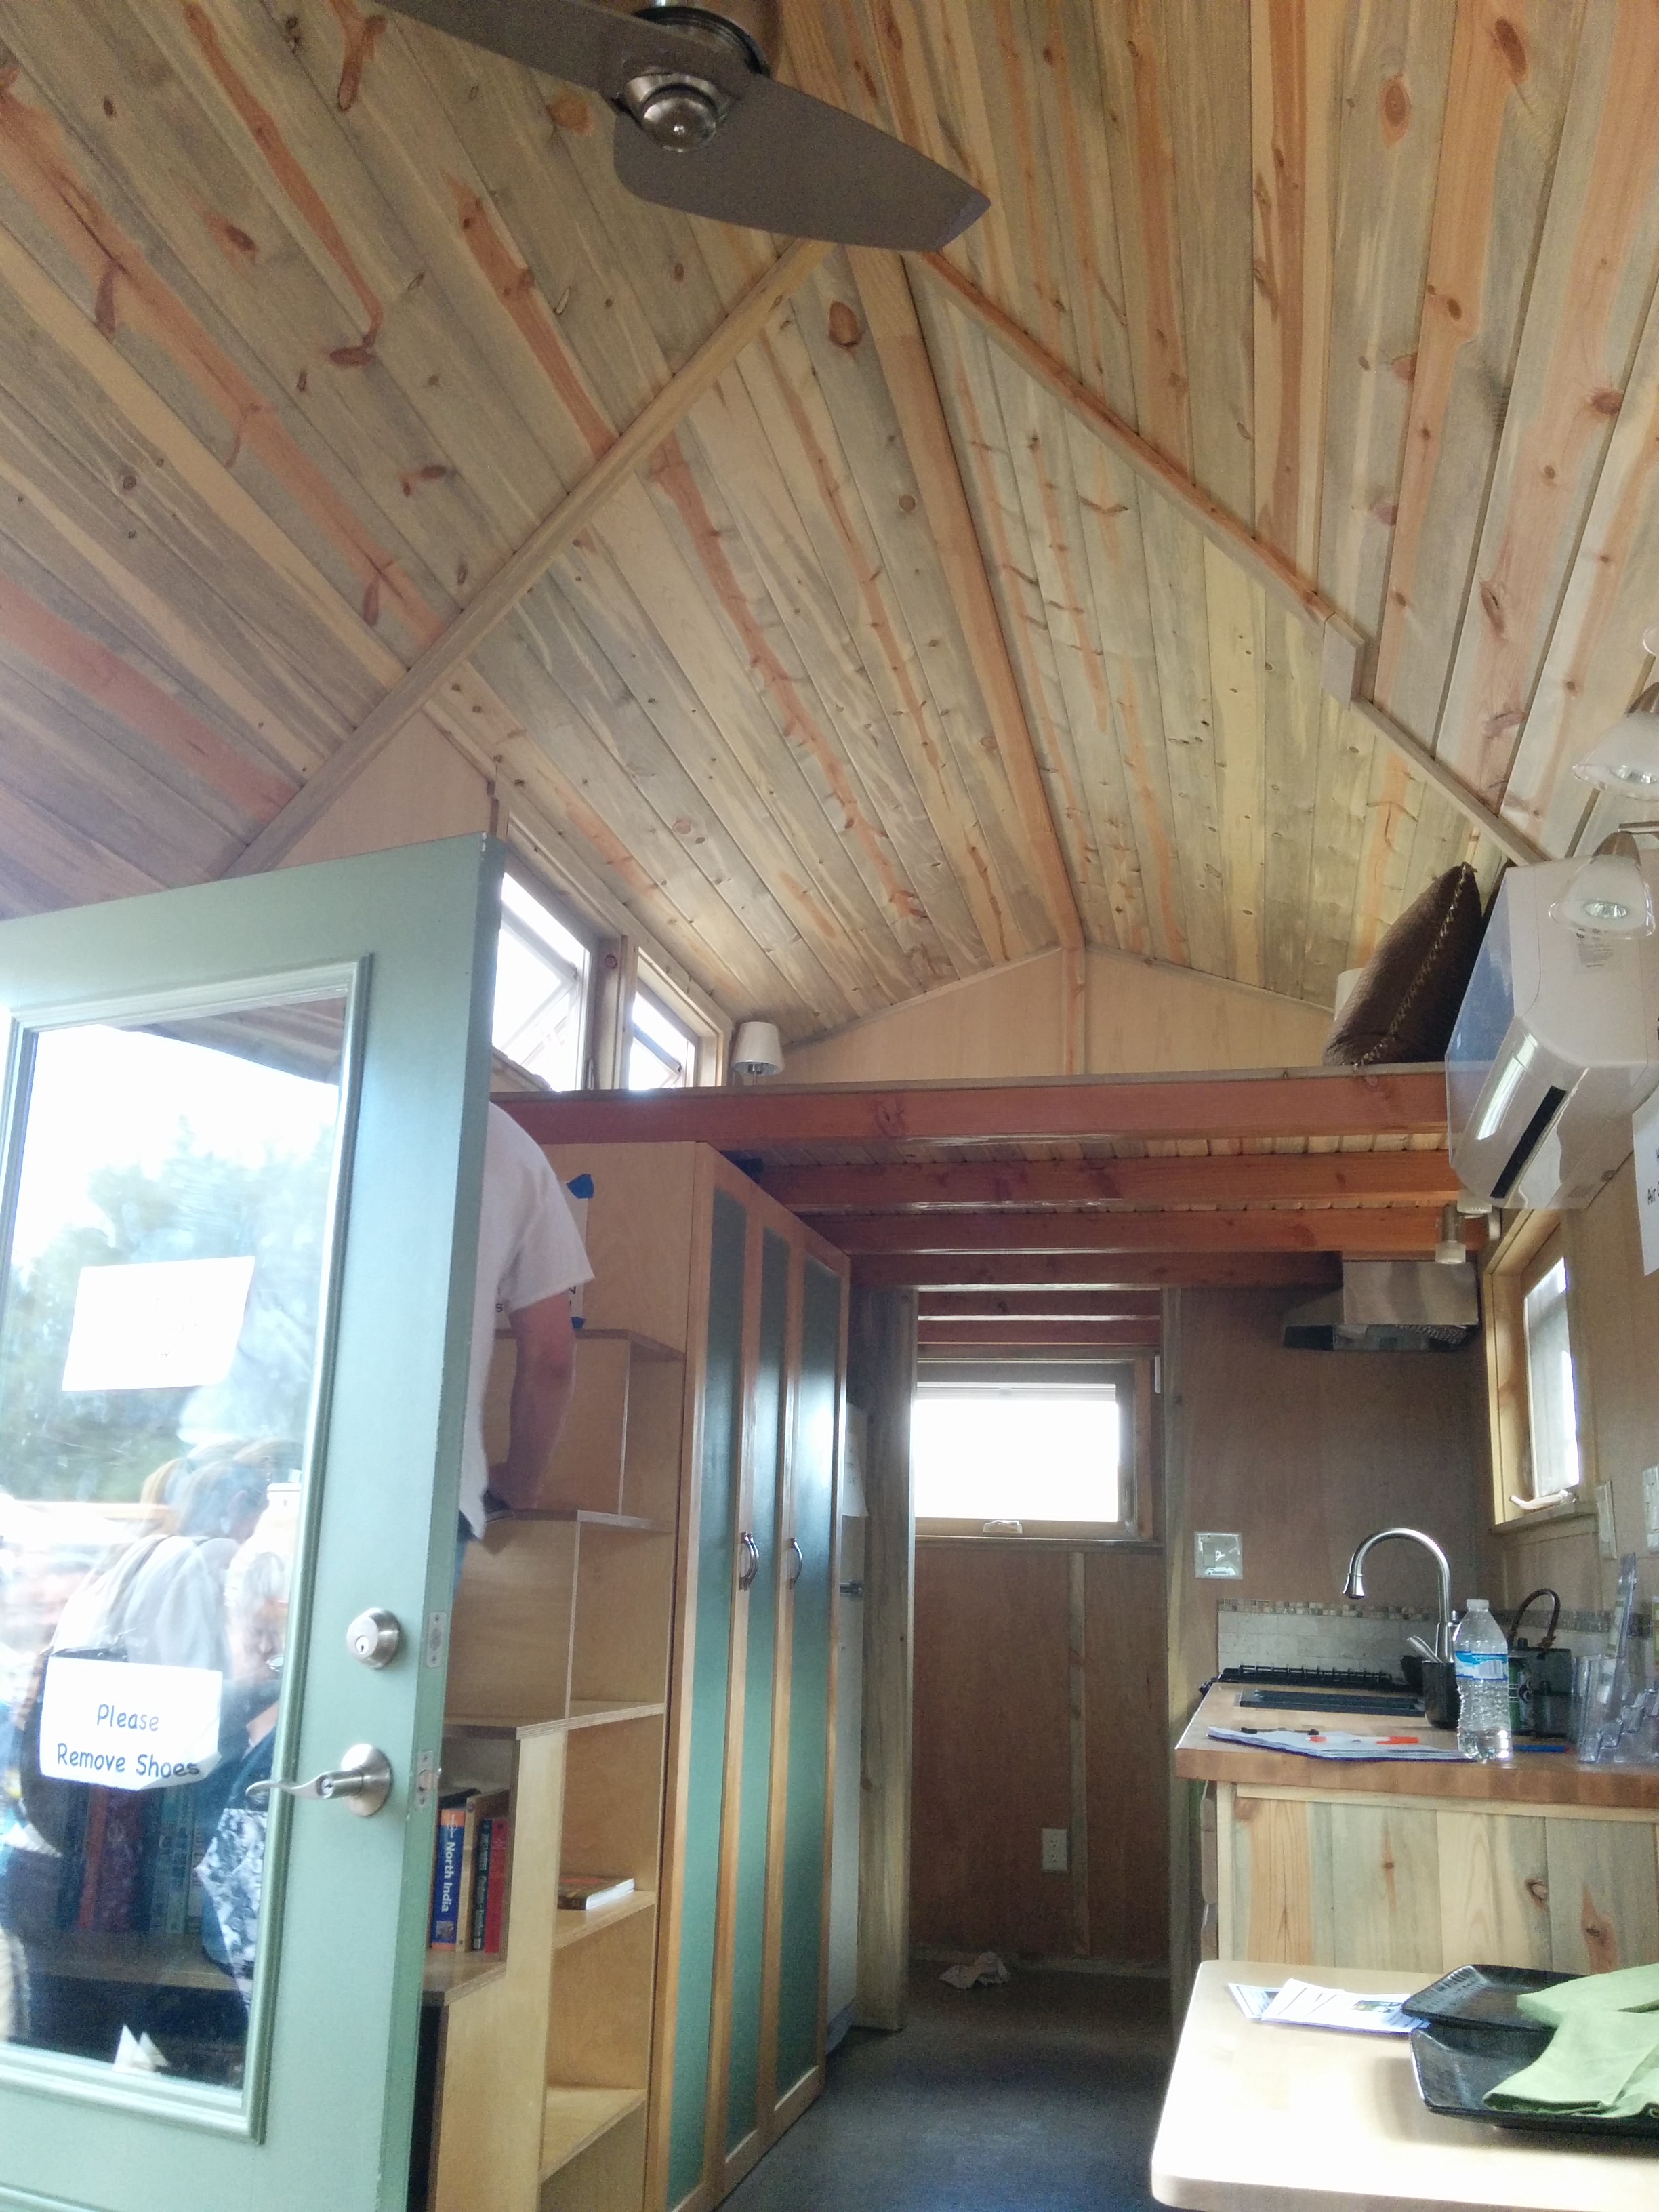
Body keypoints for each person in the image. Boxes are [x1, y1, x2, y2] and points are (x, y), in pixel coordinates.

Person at [458, 1105, 592, 1570]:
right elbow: (550, 1359)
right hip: (433, 1487)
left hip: (284, 1471)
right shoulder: (507, 1144)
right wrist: (521, 1483)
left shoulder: (314, 1099)